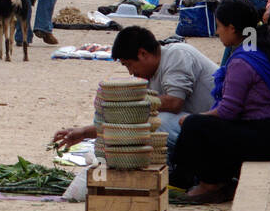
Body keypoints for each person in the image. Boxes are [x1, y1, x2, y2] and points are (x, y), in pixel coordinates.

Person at [170, 0, 270, 203]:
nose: (216, 32)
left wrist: (194, 119)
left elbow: (227, 111)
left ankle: (209, 184)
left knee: (195, 125)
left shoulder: (243, 60)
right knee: (205, 124)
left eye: (219, 26)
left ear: (231, 28)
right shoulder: (261, 47)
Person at [53, 25, 218, 160]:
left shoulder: (177, 55)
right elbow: (132, 119)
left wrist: (128, 103)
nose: (131, 72)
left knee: (158, 124)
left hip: (214, 127)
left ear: (143, 54)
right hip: (194, 125)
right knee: (139, 120)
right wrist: (85, 132)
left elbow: (175, 103)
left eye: (129, 65)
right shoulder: (149, 77)